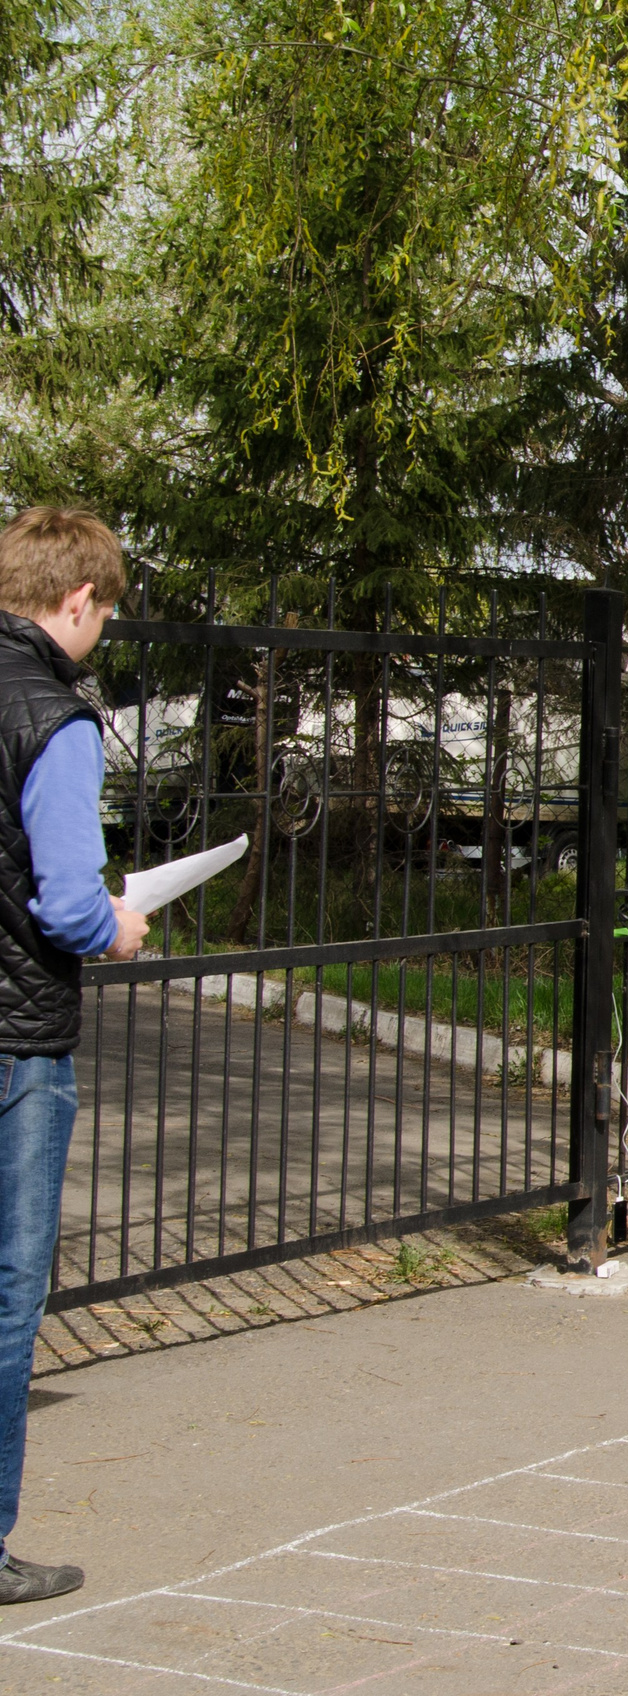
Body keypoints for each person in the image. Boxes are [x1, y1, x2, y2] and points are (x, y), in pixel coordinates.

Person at [0, 509, 149, 1605]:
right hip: (15, 1042)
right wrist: (117, 924)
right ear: (78, 600)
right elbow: (65, 903)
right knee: (9, 1294)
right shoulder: (55, 717)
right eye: (104, 614)